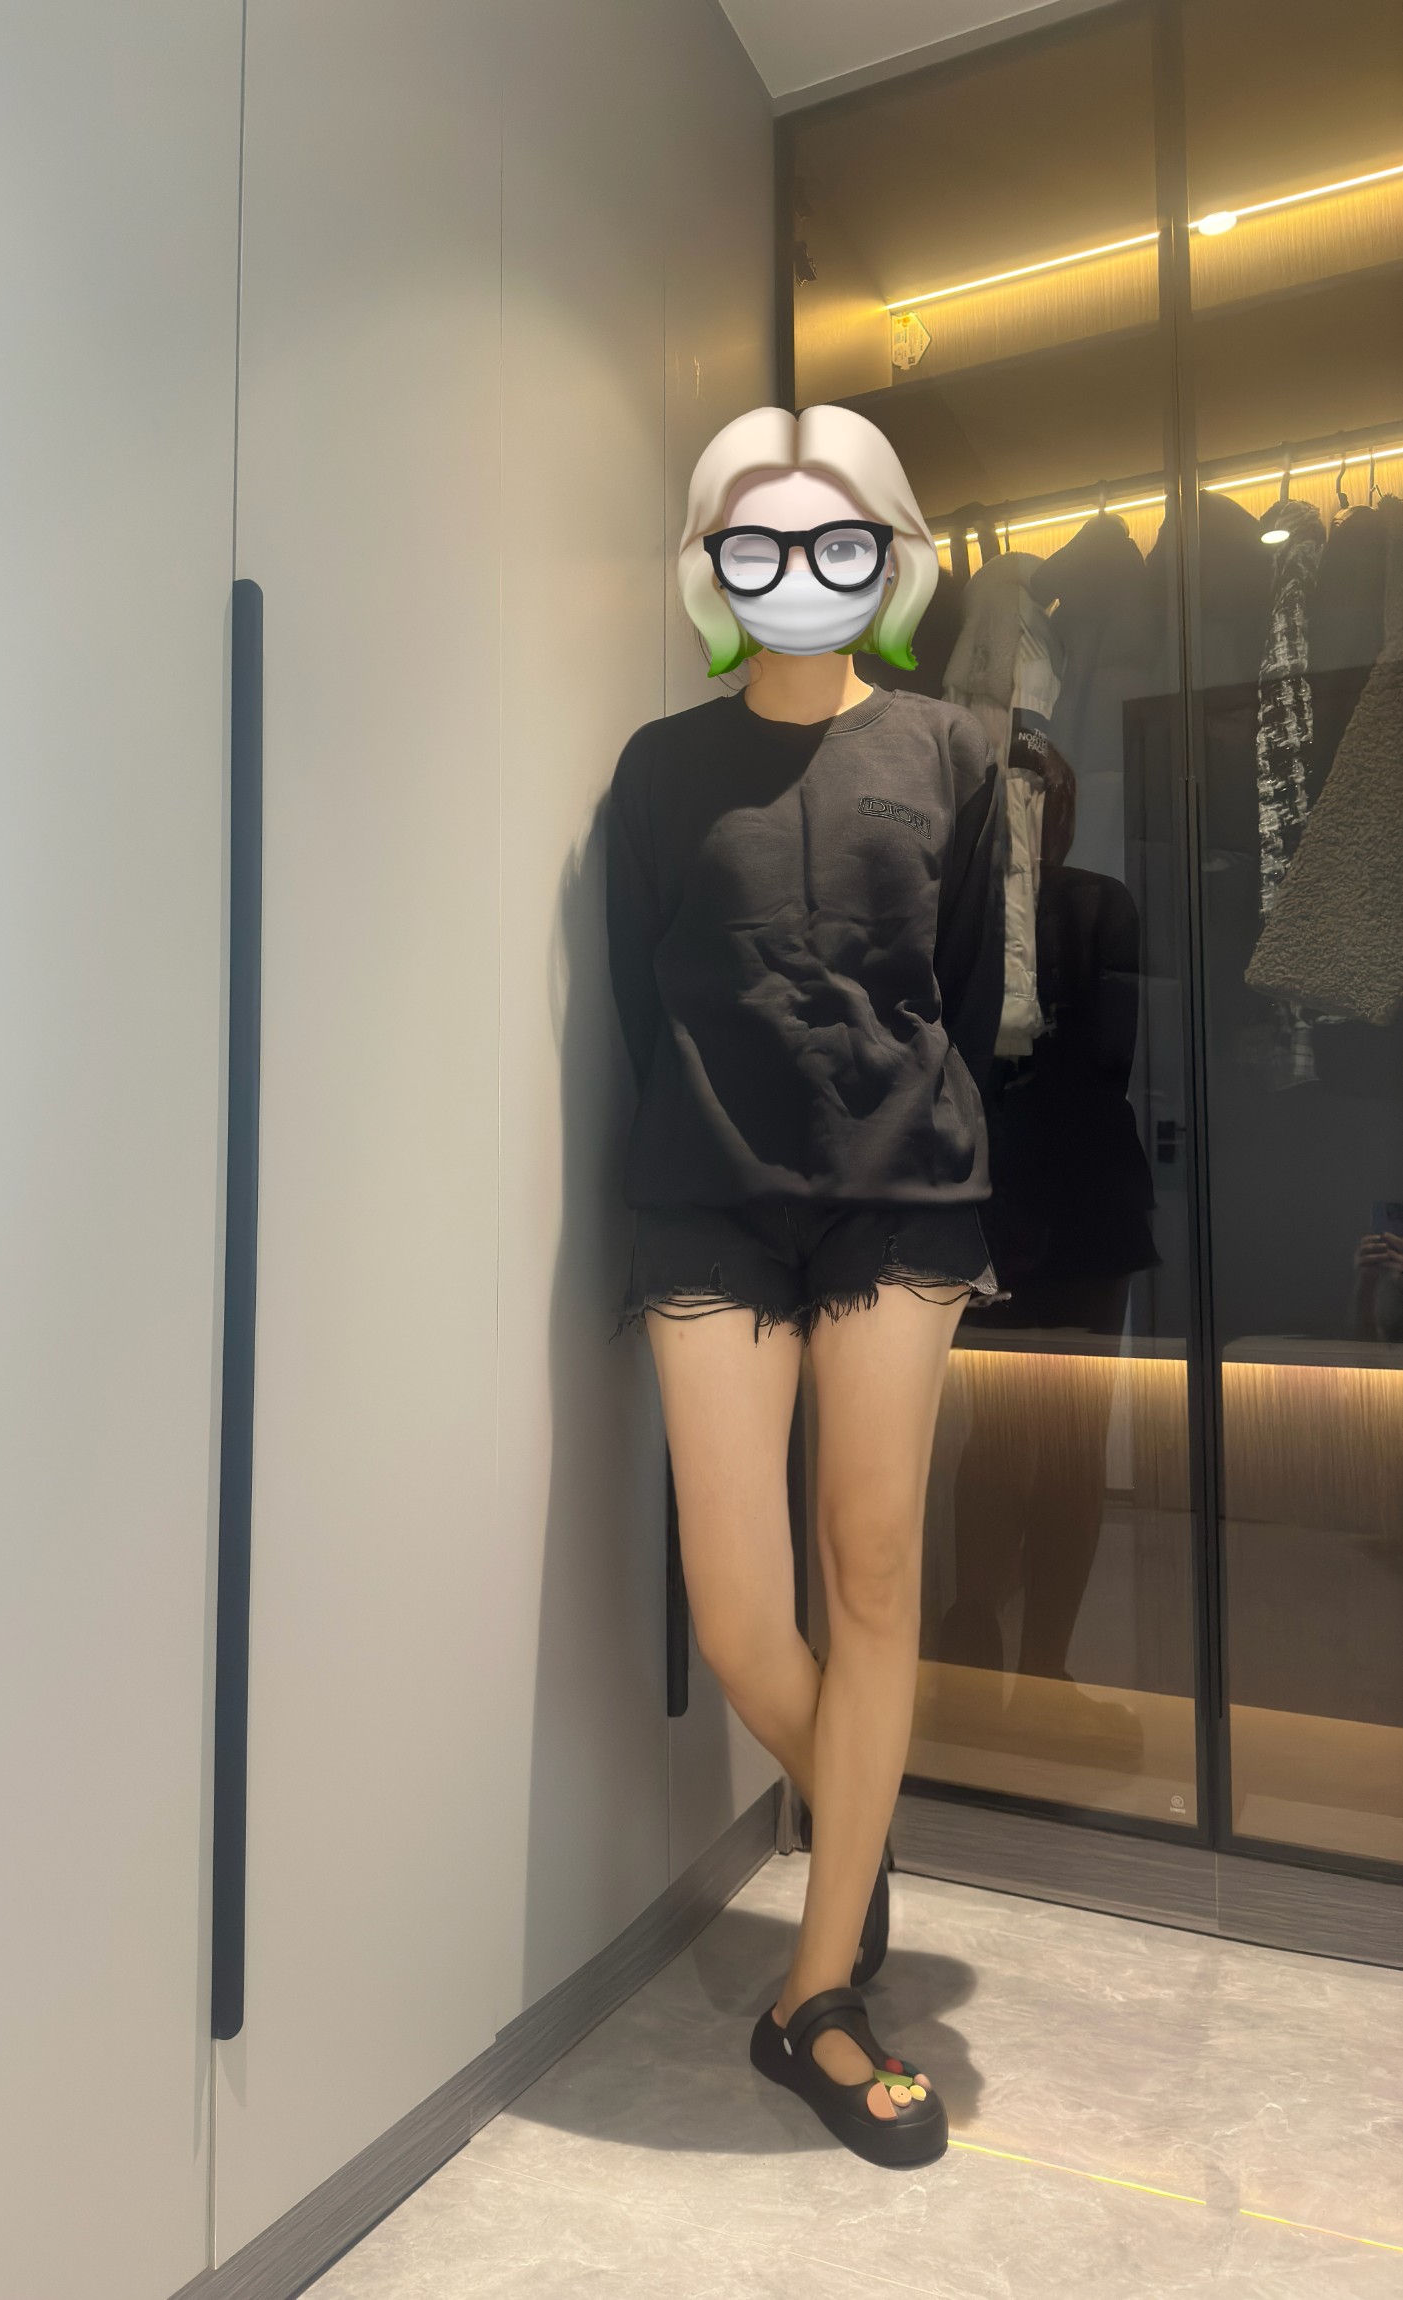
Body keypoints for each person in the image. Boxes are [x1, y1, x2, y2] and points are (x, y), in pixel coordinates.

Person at [606, 405, 1006, 2169]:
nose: (794, 575)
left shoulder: (951, 747)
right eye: (753, 546)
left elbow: (962, 987)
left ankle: (814, 1995)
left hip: (898, 1195)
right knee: (738, 1621)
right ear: (712, 564)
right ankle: (857, 1818)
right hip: (705, 1197)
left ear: (889, 556)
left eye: (833, 543)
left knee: (872, 1569)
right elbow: (638, 1000)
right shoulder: (654, 768)